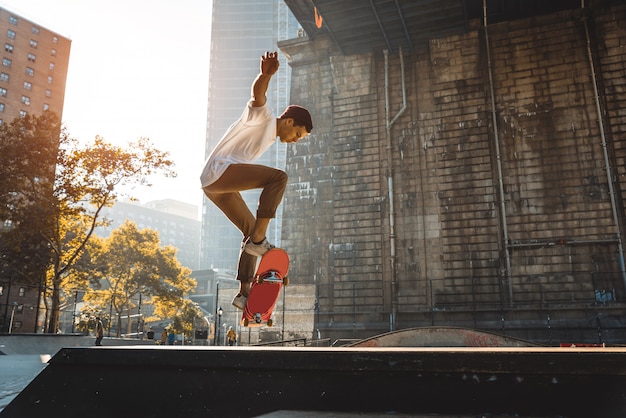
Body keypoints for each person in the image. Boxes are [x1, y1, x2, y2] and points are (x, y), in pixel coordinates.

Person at [200, 51, 313, 311]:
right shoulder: (262, 118)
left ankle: (243, 293)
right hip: (219, 173)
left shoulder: (271, 136)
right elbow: (258, 96)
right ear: (289, 121)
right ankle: (260, 239)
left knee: (249, 232)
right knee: (278, 178)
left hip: (216, 187)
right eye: (296, 134)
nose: (295, 140)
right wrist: (265, 74)